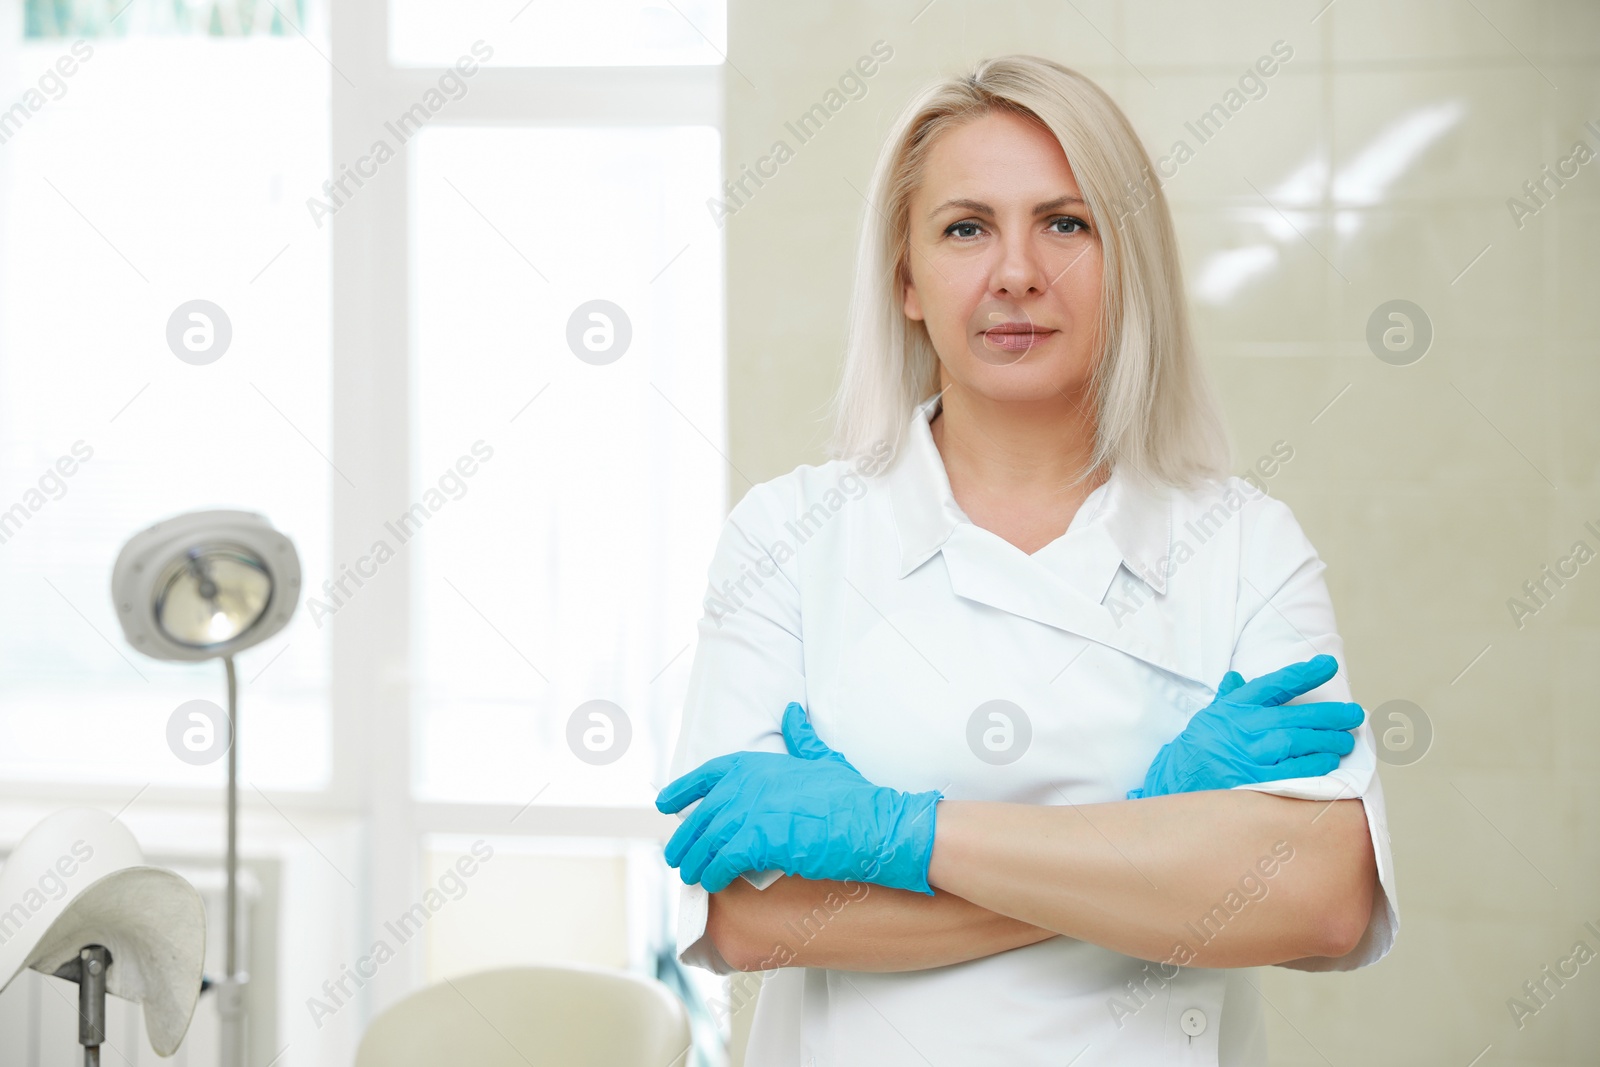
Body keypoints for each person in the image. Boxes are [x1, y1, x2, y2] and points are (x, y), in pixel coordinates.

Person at [656, 53, 1398, 1067]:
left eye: (1066, 222)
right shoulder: (787, 538)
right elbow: (752, 917)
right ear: (906, 279)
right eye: (966, 227)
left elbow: (1321, 898)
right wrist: (1151, 838)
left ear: (1125, 261)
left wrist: (892, 837)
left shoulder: (1243, 544)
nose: (1015, 272)